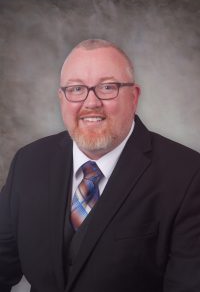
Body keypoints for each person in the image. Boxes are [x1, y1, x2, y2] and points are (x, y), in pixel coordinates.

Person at [0, 39, 200, 292]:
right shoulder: (29, 163)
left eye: (107, 87)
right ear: (61, 98)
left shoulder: (188, 175)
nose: (91, 102)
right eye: (76, 89)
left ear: (134, 96)